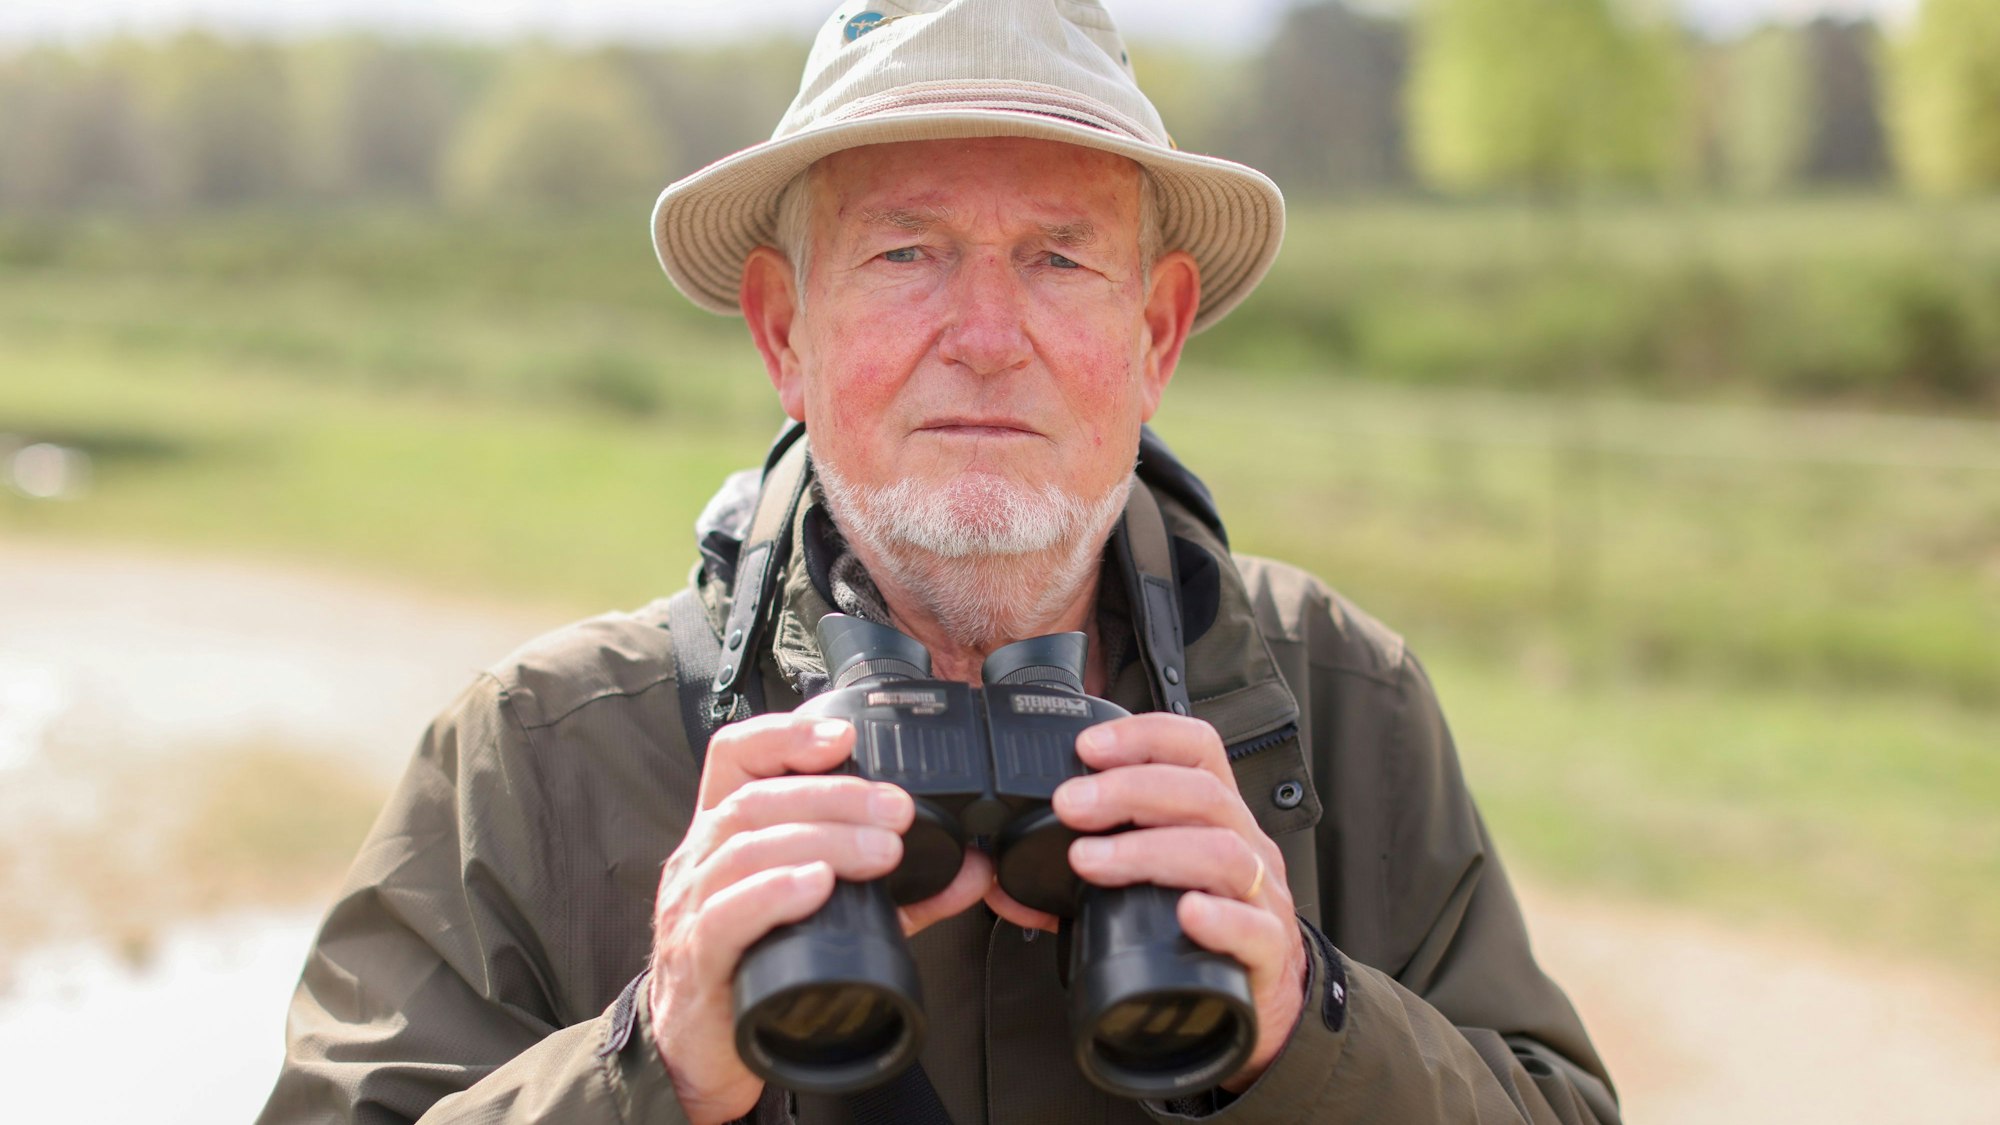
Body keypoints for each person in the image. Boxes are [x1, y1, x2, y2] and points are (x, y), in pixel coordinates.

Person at [258, 2, 1618, 1122]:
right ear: (785, 331)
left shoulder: (1334, 701)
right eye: (907, 251)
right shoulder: (542, 751)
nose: (984, 332)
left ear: (1157, 333)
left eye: (1059, 258)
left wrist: (1306, 1020)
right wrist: (651, 1063)